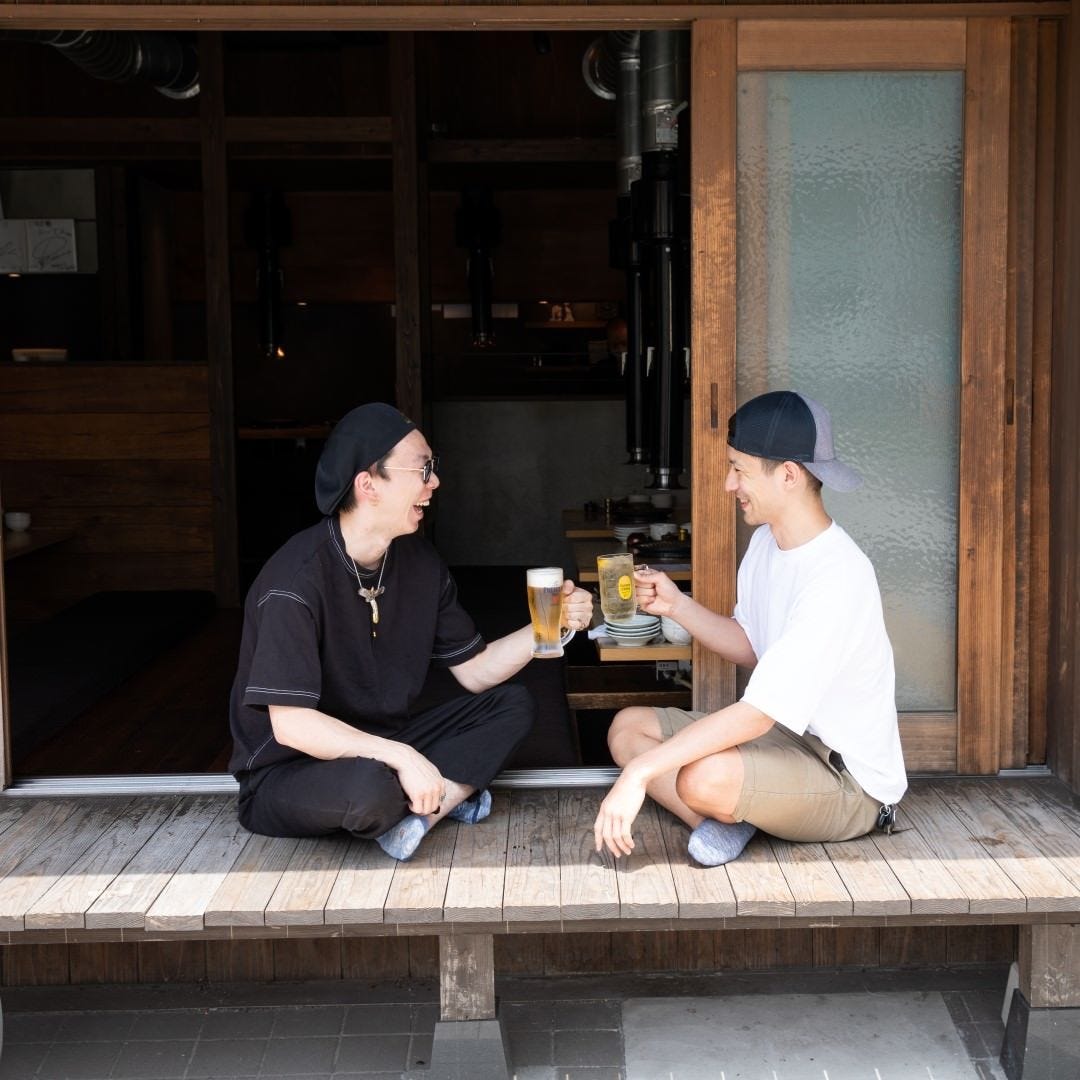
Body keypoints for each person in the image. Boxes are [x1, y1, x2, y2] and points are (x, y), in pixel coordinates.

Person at [229, 402, 593, 862]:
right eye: (423, 469)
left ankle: (426, 815)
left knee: (514, 704)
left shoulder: (420, 565)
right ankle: (442, 792)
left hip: (389, 747)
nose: (434, 482)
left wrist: (549, 623)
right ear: (368, 485)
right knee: (371, 791)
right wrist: (402, 759)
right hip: (292, 772)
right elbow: (293, 726)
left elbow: (476, 673)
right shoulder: (294, 583)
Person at [593, 390, 907, 866]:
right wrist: (676, 606)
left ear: (787, 475)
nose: (727, 483)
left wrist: (639, 774)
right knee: (627, 727)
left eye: (739, 468)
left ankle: (717, 808)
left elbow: (757, 713)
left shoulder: (837, 575)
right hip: (786, 737)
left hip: (848, 781)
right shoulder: (766, 543)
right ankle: (719, 826)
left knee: (699, 776)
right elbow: (750, 644)